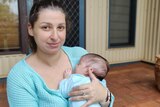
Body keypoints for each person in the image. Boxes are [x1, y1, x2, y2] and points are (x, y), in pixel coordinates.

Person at [7, 0, 113, 107]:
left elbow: (107, 98)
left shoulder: (81, 55)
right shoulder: (20, 76)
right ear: (31, 29)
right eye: (46, 27)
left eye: (60, 27)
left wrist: (104, 95)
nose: (55, 36)